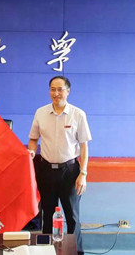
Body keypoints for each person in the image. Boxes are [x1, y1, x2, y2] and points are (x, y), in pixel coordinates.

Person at [28, 76, 91, 255]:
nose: (56, 93)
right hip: (46, 171)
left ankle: (76, 252)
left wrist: (83, 174)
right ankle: (46, 251)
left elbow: (84, 146)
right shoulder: (40, 113)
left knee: (72, 217)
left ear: (68, 91)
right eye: (52, 89)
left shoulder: (78, 114)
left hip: (70, 172)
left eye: (60, 89)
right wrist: (31, 151)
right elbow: (33, 139)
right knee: (47, 215)